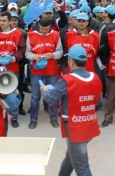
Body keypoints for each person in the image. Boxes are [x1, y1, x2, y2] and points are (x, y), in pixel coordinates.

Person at [42, 45, 102, 176]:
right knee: (71, 157)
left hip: (75, 128)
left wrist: (45, 91)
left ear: (70, 61)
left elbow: (51, 99)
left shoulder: (66, 80)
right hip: (90, 124)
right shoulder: (94, 77)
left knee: (81, 166)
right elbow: (98, 101)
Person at [0, 11, 25, 128]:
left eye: (4, 20)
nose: (1, 23)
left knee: (12, 92)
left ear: (10, 21)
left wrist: (15, 58)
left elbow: (22, 49)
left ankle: (13, 116)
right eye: (0, 20)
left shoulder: (18, 33)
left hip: (12, 67)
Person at [26, 17, 63, 129]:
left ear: (50, 27)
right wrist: (33, 56)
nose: (44, 31)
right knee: (35, 96)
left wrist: (53, 55)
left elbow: (60, 51)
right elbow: (27, 53)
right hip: (36, 71)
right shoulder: (31, 35)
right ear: (38, 26)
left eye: (46, 29)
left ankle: (53, 117)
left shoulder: (56, 35)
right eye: (42, 29)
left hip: (51, 70)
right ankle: (33, 119)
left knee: (52, 94)